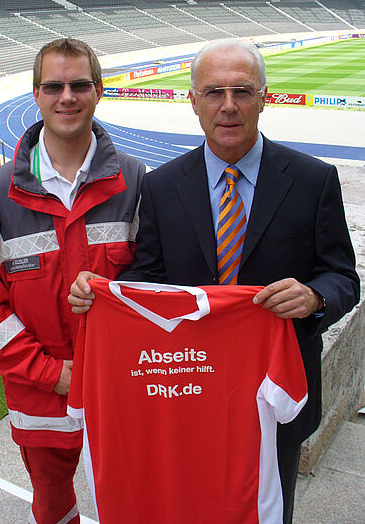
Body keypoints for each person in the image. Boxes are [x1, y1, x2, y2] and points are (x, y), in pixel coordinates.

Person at [69, 39, 360, 524]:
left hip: (272, 399)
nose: (228, 106)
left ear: (264, 98)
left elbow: (344, 278)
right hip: (190, 391)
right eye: (213, 92)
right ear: (193, 101)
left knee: (267, 510)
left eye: (242, 91)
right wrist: (103, 294)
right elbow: (148, 277)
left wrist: (314, 296)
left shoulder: (313, 180)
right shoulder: (161, 186)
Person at [0, 38, 145, 524]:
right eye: (54, 86)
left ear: (98, 90)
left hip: (122, 386)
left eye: (79, 85)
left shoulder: (138, 183)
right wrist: (50, 373)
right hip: (40, 392)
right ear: (36, 94)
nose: (67, 97)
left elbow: (157, 286)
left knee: (134, 493)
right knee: (52, 501)